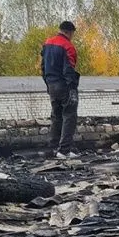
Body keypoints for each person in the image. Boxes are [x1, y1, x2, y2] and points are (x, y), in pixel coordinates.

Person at [40, 21, 80, 159]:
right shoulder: (68, 46)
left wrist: (47, 83)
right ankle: (64, 150)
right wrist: (72, 88)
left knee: (56, 116)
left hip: (51, 85)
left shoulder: (47, 43)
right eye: (73, 33)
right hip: (64, 85)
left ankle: (53, 147)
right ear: (69, 32)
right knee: (69, 116)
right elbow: (69, 69)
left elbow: (43, 67)